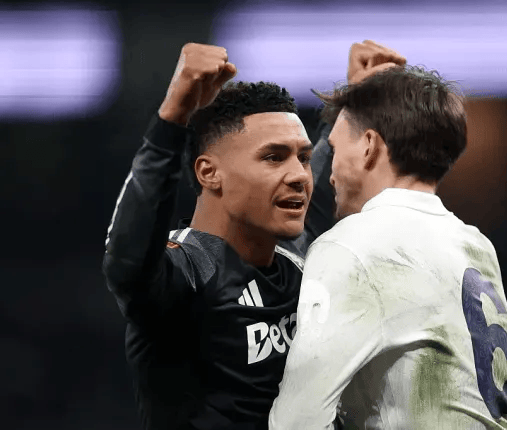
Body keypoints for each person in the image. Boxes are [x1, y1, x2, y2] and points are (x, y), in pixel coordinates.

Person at [102, 41, 404, 430]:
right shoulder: (187, 272)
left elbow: (321, 182)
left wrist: (355, 100)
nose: (299, 176)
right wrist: (172, 117)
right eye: (273, 157)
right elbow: (127, 262)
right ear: (209, 173)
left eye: (303, 158)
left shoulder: (293, 257)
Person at [268, 53, 507, 428]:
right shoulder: (477, 245)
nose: (329, 172)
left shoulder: (352, 245)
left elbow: (295, 422)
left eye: (334, 149)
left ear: (368, 146)